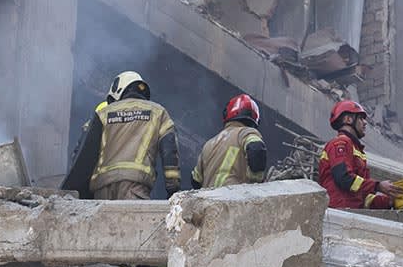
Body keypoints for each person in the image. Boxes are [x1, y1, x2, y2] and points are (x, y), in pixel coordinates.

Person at [62, 70, 181, 200]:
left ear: (118, 90)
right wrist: (173, 189)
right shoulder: (158, 112)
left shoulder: (103, 113)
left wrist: (74, 190)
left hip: (101, 190)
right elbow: (169, 150)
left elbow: (83, 152)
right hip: (134, 187)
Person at [318, 100, 403, 209]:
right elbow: (344, 178)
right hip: (338, 212)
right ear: (348, 119)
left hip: (351, 215)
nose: (365, 122)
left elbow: (364, 198)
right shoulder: (340, 144)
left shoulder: (357, 150)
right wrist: (378, 186)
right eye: (361, 118)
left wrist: (389, 201)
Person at [192, 93, 267, 189]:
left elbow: (195, 180)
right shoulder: (246, 133)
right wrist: (256, 182)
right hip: (233, 200)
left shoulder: (209, 144)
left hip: (209, 200)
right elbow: (257, 148)